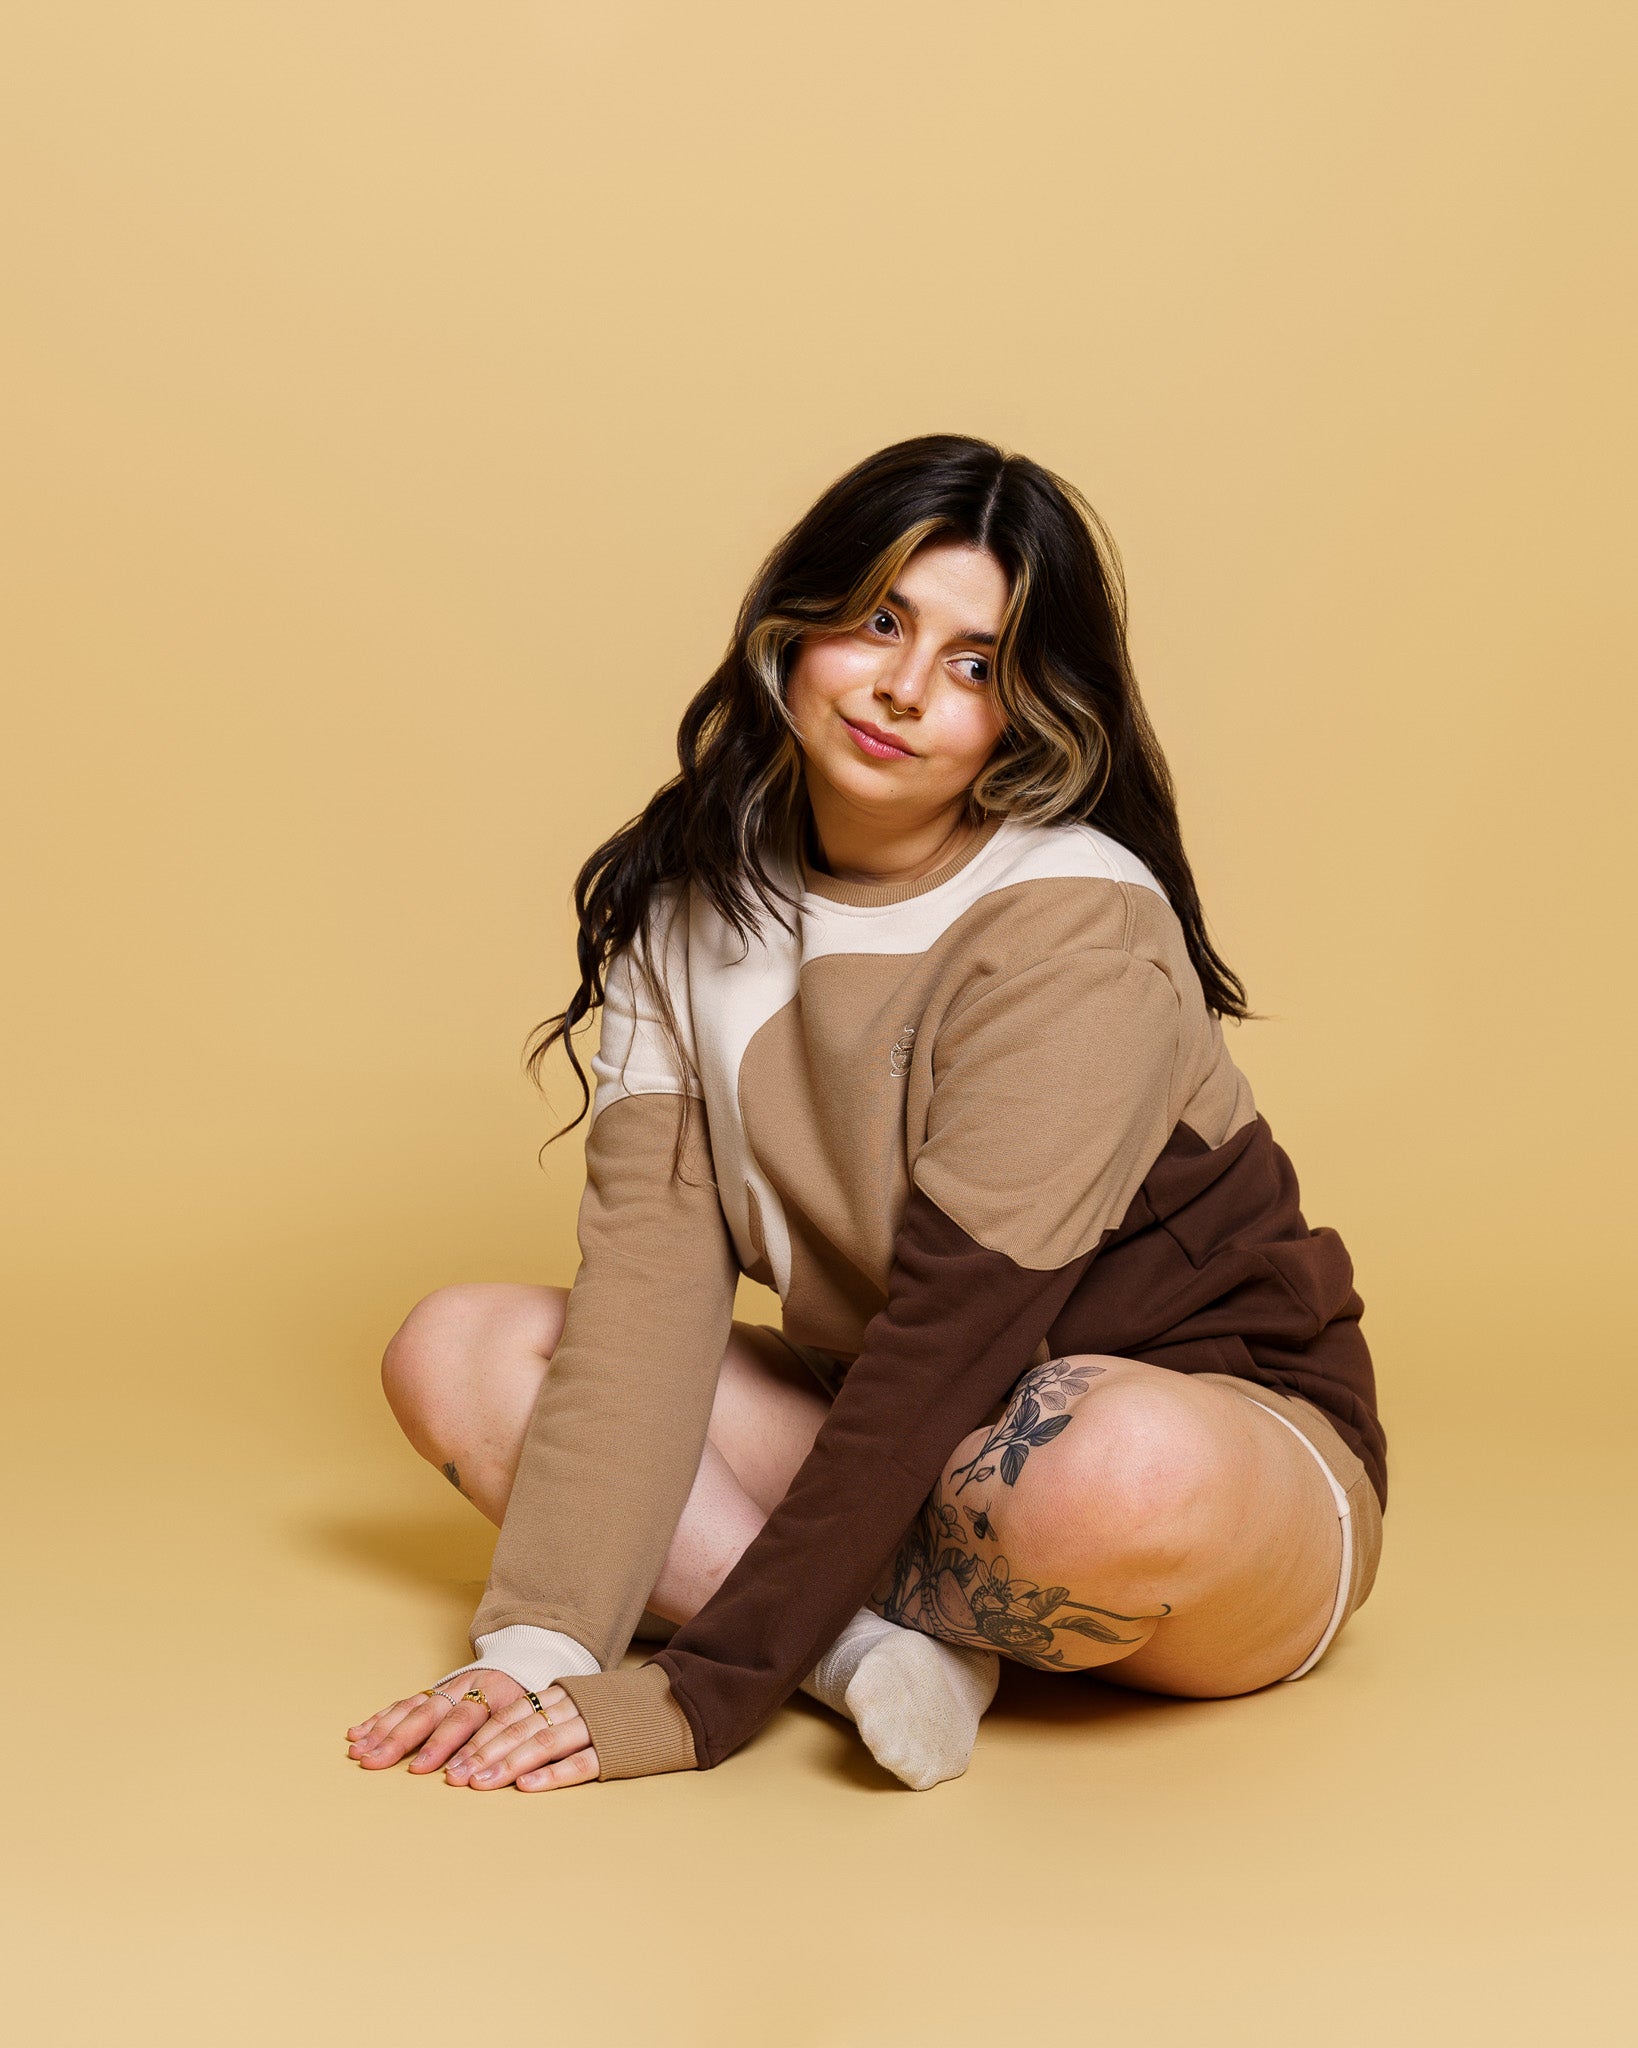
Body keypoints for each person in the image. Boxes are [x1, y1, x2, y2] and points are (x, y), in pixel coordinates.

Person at [345, 434, 1386, 1795]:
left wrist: (703, 1696)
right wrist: (542, 1650)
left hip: (1204, 1469)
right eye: (878, 621)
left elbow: (952, 1345)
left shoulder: (1071, 920)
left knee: (1102, 1461)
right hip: (902, 1425)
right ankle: (860, 1649)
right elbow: (647, 1302)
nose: (902, 687)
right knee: (462, 1349)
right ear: (796, 623)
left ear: (1026, 714)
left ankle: (800, 1619)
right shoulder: (687, 918)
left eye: (973, 664)